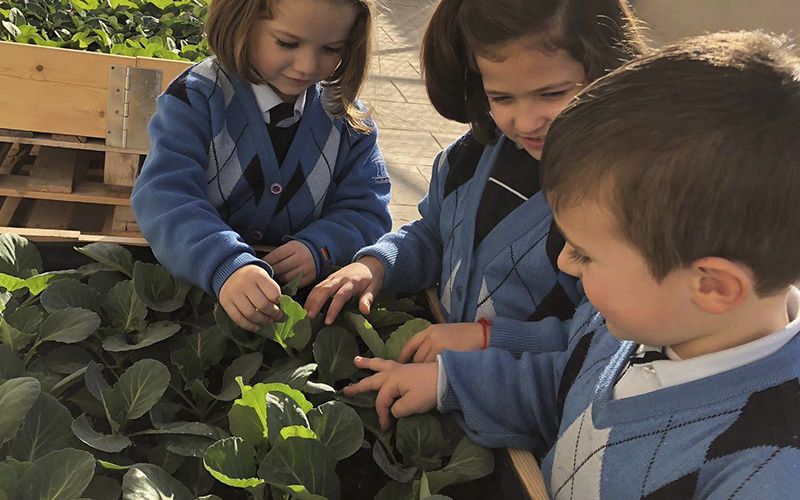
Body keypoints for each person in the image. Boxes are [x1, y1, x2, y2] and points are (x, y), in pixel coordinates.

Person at [342, 31, 800, 498]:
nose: (564, 260)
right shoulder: (636, 324)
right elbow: (560, 386)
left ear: (714, 287)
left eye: (585, 253)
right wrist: (448, 382)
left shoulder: (766, 471)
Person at [305, 0, 646, 362]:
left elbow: (597, 342)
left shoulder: (620, 203)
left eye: (551, 94)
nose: (526, 121)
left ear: (607, 68)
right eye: (501, 97)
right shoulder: (466, 160)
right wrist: (378, 264)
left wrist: (486, 338)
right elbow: (435, 235)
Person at [131, 0, 391, 332]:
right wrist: (225, 264)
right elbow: (164, 198)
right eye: (287, 43)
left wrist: (321, 247)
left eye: (331, 48)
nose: (307, 65)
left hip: (298, 311)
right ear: (241, 21)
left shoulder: (350, 123)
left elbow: (368, 211)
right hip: (192, 290)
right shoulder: (196, 99)